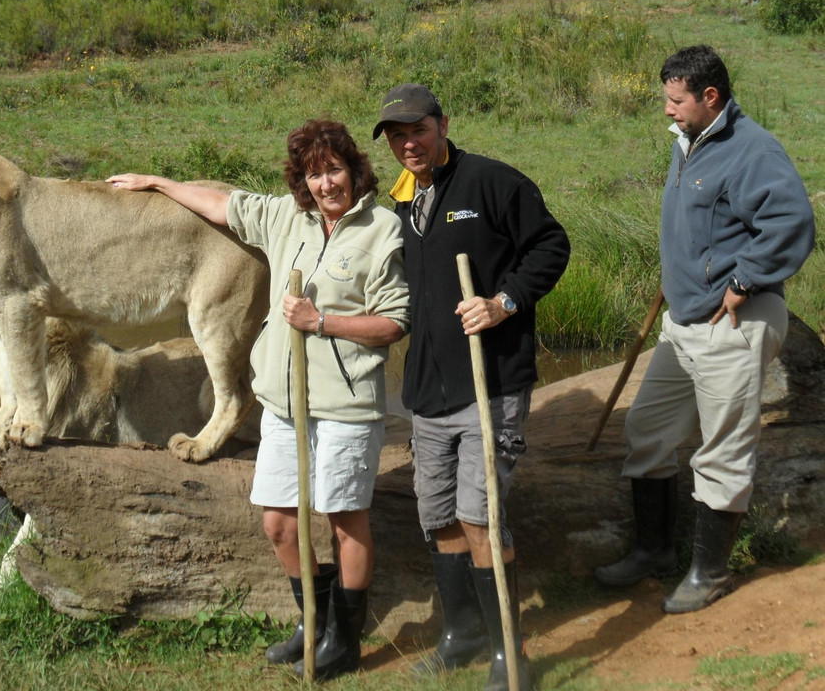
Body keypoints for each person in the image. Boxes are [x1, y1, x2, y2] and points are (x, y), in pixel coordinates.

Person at [108, 119, 410, 680]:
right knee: (278, 522)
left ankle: (344, 640)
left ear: (355, 171)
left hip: (344, 405)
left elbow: (393, 323)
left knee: (345, 520)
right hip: (282, 403)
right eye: (314, 174)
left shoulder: (383, 228)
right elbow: (223, 205)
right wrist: (158, 182)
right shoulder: (285, 218)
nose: (326, 184)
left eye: (335, 170)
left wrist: (320, 322)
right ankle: (314, 619)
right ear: (302, 182)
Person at [593, 46, 815, 614]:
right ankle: (653, 551)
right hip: (684, 323)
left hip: (733, 323)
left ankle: (709, 572)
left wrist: (743, 280)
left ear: (709, 97)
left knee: (722, 452)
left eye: (675, 100)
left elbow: (792, 223)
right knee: (647, 431)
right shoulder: (688, 140)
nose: (666, 109)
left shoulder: (752, 150)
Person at [373, 84, 570, 691]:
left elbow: (551, 246)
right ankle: (462, 634)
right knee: (437, 515)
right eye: (397, 136)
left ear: (442, 125)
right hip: (429, 388)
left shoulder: (492, 183)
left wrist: (503, 302)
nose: (409, 143)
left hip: (492, 381)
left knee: (480, 515)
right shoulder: (403, 201)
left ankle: (512, 652)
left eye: (418, 130)